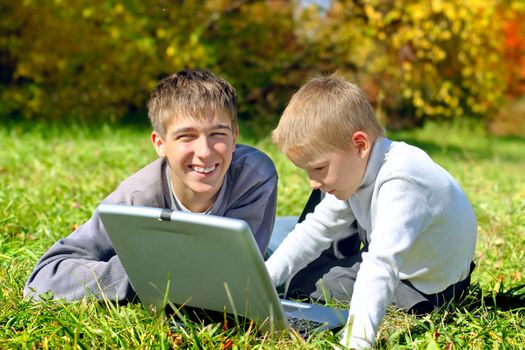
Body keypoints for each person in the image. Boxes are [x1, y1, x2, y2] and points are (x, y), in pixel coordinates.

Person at [25, 69, 278, 302]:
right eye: (186, 136)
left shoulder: (254, 178)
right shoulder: (135, 200)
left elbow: (238, 280)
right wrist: (143, 274)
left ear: (234, 137)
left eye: (218, 134)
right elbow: (43, 280)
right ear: (160, 144)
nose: (205, 152)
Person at [265, 74, 477, 349]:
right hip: (411, 267)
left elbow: (381, 266)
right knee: (301, 273)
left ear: (360, 145)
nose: (313, 183)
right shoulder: (359, 167)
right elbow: (314, 229)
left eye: (318, 168)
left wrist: (357, 341)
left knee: (307, 284)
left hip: (428, 289)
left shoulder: (402, 180)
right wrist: (263, 279)